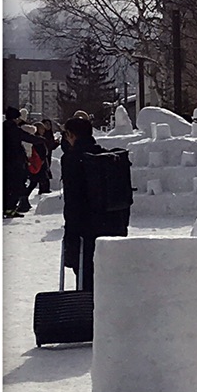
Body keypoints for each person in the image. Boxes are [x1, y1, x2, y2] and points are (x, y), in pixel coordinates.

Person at [60, 111, 130, 290]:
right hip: (112, 225)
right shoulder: (105, 158)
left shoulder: (73, 160)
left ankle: (87, 313)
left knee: (85, 278)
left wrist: (71, 238)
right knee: (106, 277)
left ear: (71, 135)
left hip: (85, 228)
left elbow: (73, 201)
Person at [3, 106, 32, 216]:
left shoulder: (4, 127)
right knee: (16, 185)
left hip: (7, 162)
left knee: (7, 186)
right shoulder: (12, 128)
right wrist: (42, 141)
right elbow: (26, 137)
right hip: (14, 163)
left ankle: (7, 209)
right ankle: (10, 209)